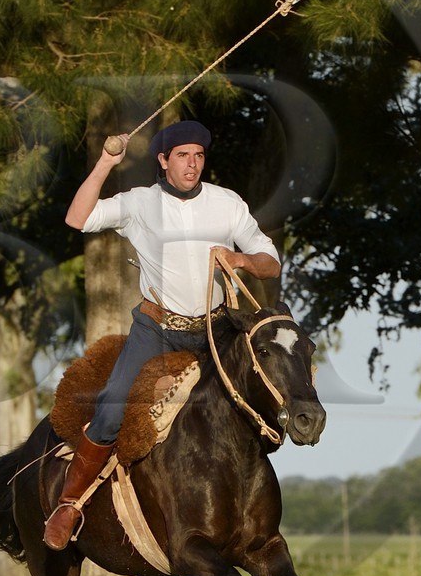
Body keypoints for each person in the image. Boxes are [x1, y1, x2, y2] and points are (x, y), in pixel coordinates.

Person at [45, 120, 281, 550]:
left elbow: (271, 262)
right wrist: (105, 163)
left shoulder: (227, 204)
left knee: (260, 397)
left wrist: (241, 259)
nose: (192, 165)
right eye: (183, 157)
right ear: (163, 161)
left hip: (216, 328)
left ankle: (250, 509)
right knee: (113, 407)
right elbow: (77, 218)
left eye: (199, 156)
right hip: (156, 329)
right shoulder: (139, 203)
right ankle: (70, 504)